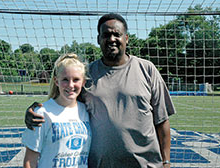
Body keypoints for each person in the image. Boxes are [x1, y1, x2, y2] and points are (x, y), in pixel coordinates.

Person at [25, 13, 176, 168]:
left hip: (146, 164)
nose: (111, 39)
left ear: (126, 38)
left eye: (117, 34)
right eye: (106, 35)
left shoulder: (147, 69)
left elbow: (162, 120)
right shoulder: (87, 74)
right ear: (98, 39)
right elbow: (63, 104)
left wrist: (166, 161)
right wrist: (36, 111)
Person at [22, 53, 92, 168]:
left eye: (76, 80)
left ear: (83, 82)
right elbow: (30, 161)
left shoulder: (86, 111)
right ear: (56, 81)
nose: (70, 85)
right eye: (65, 79)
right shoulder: (42, 113)